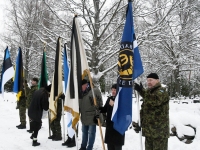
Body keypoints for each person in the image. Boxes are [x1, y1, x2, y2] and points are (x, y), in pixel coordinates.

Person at [134, 73, 169, 150]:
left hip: (159, 134)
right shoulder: (148, 93)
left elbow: (155, 100)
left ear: (157, 80)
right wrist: (140, 123)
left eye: (151, 80)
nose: (148, 82)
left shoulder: (162, 91)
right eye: (147, 80)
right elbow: (145, 111)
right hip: (149, 133)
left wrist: (141, 90)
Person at [79, 79, 103, 150]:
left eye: (81, 86)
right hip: (84, 116)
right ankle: (83, 147)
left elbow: (100, 103)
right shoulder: (81, 93)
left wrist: (98, 113)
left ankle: (89, 147)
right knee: (84, 132)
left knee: (91, 133)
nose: (80, 87)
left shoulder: (94, 91)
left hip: (92, 116)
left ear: (86, 85)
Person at [99, 84, 125, 150]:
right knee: (110, 147)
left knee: (117, 146)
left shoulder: (122, 99)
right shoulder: (109, 99)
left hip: (118, 128)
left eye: (115, 90)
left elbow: (123, 113)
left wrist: (114, 106)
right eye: (112, 90)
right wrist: (98, 108)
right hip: (110, 127)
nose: (113, 91)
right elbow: (105, 109)